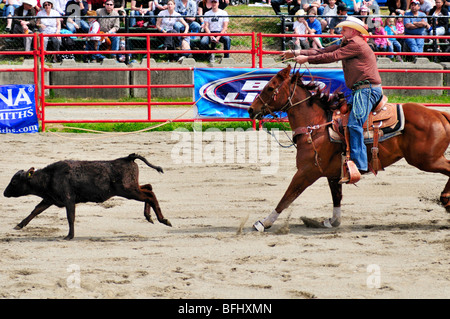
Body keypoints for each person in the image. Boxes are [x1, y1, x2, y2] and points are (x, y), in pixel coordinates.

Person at [281, 16, 383, 178]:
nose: (341, 31)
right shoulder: (349, 43)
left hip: (366, 90)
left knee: (354, 124)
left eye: (344, 29)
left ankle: (360, 163)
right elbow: (322, 51)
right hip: (360, 89)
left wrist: (306, 59)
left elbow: (331, 57)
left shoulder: (356, 44)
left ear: (354, 31)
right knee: (339, 120)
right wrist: (297, 52)